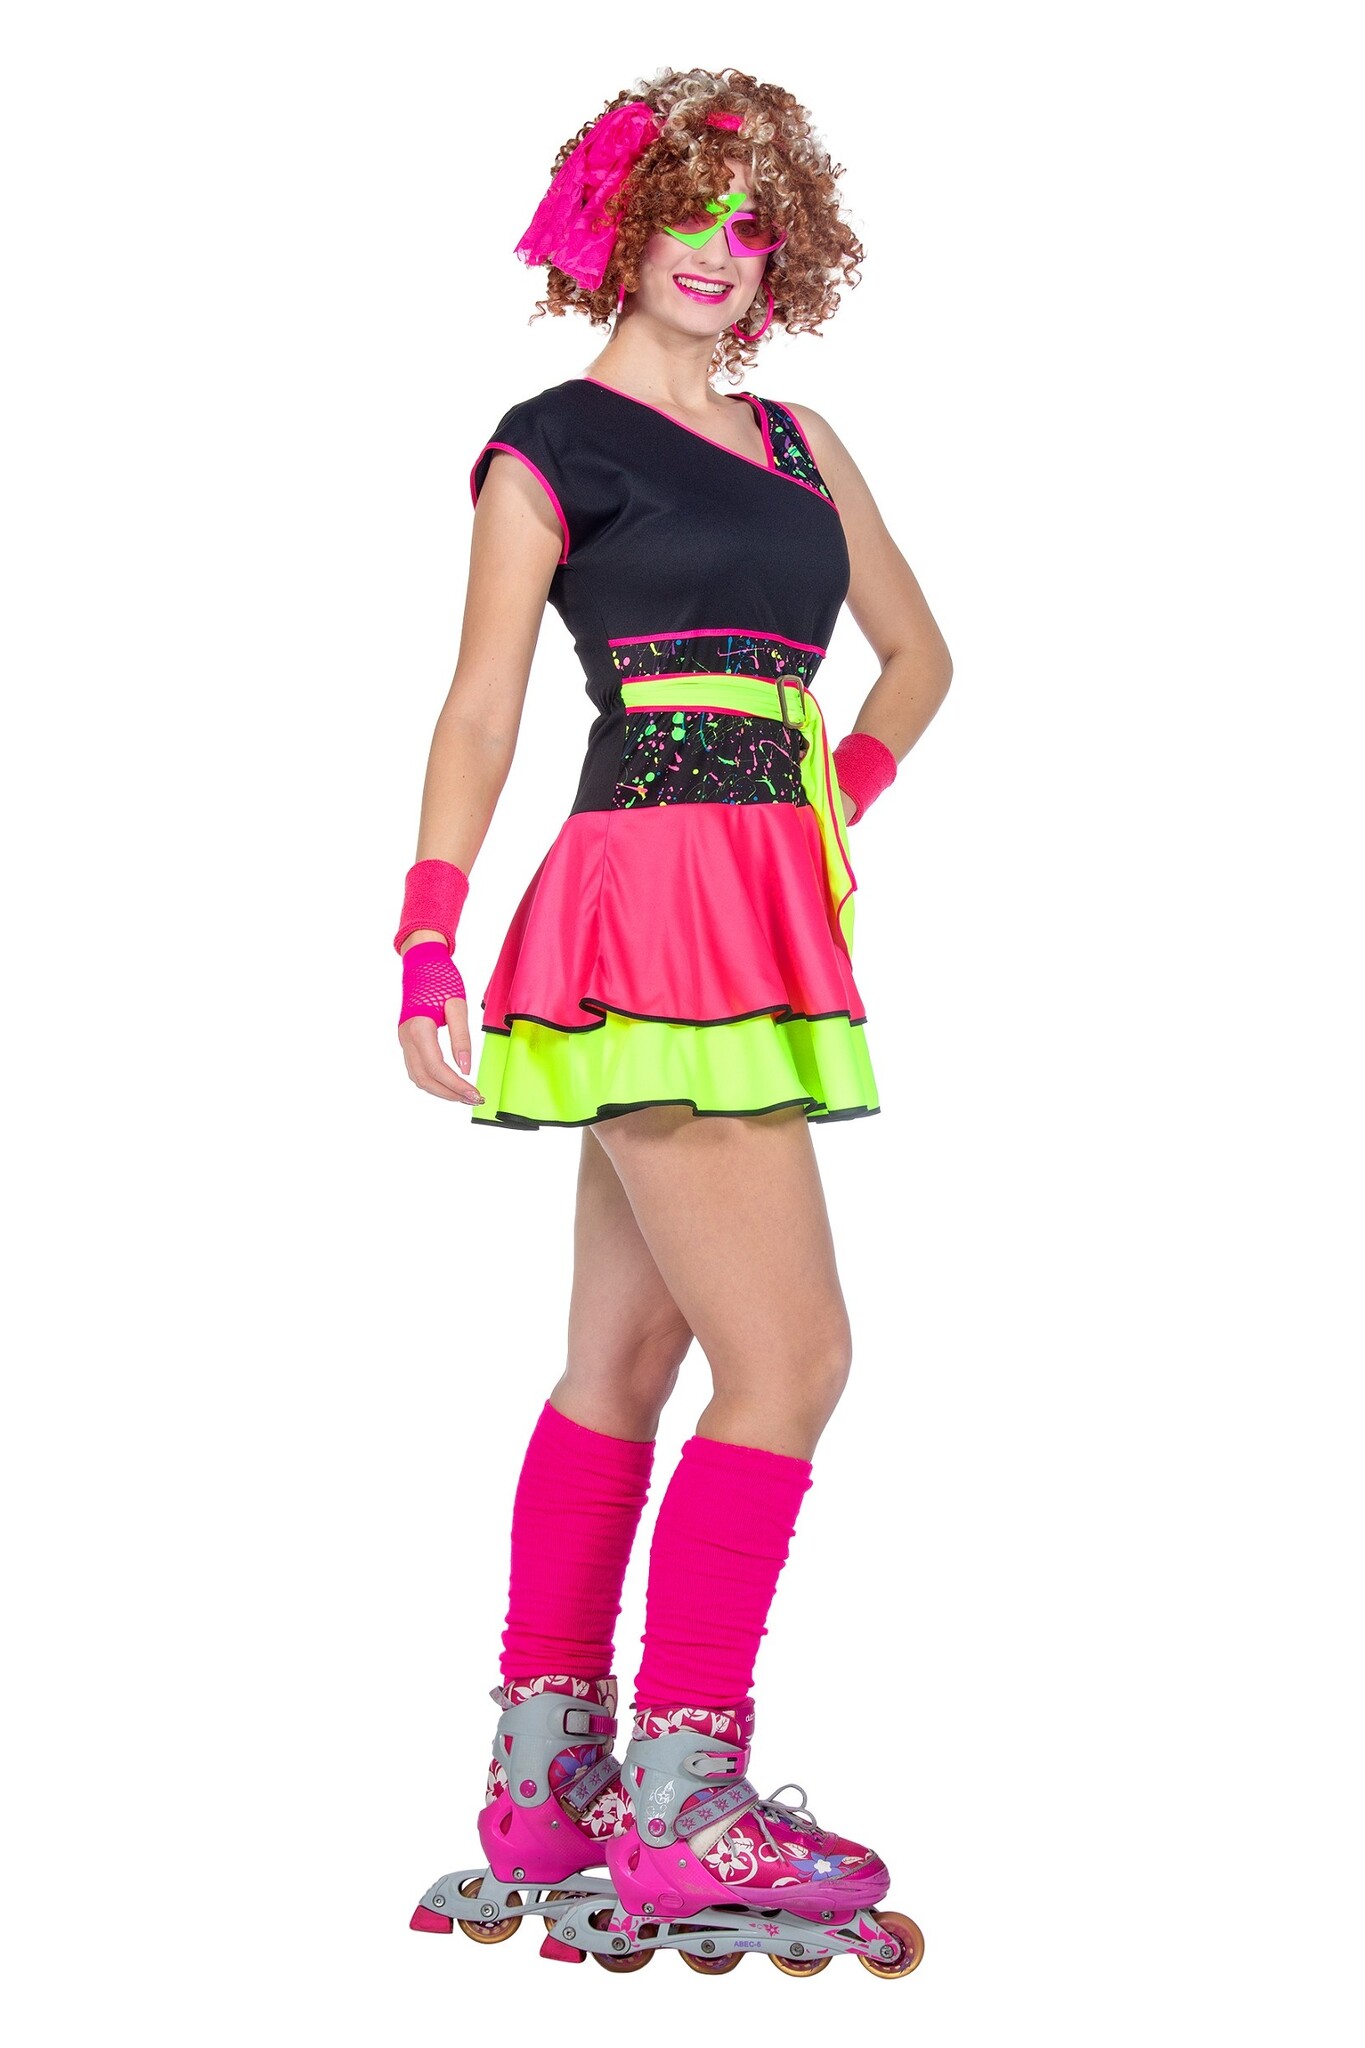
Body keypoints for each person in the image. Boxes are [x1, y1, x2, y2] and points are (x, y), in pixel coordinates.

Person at [399, 66, 952, 1976]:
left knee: (625, 1354)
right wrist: (426, 929)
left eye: (753, 225)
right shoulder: (549, 444)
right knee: (792, 1358)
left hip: (758, 908)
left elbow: (919, 658)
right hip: (643, 909)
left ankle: (549, 1790)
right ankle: (686, 1800)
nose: (721, 253)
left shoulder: (800, 442)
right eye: (688, 216)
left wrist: (828, 799)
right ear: (613, 230)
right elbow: (483, 706)